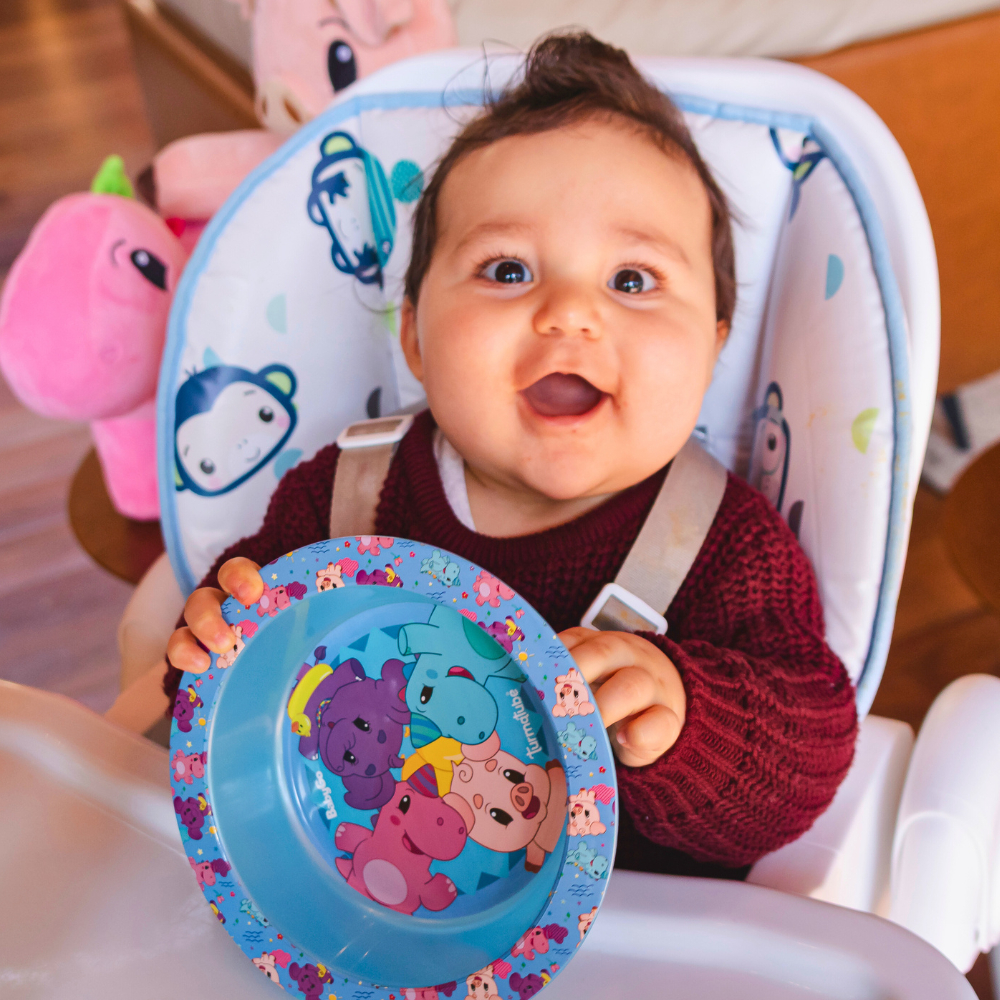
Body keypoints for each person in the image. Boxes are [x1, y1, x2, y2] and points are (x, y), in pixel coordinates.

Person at [163, 31, 857, 878]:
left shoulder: (728, 549)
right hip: (358, 895)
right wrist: (213, 649)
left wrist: (685, 718)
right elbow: (222, 710)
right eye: (506, 270)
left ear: (713, 348)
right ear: (414, 338)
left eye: (631, 280)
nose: (569, 312)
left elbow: (810, 759)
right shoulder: (341, 499)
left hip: (634, 926)